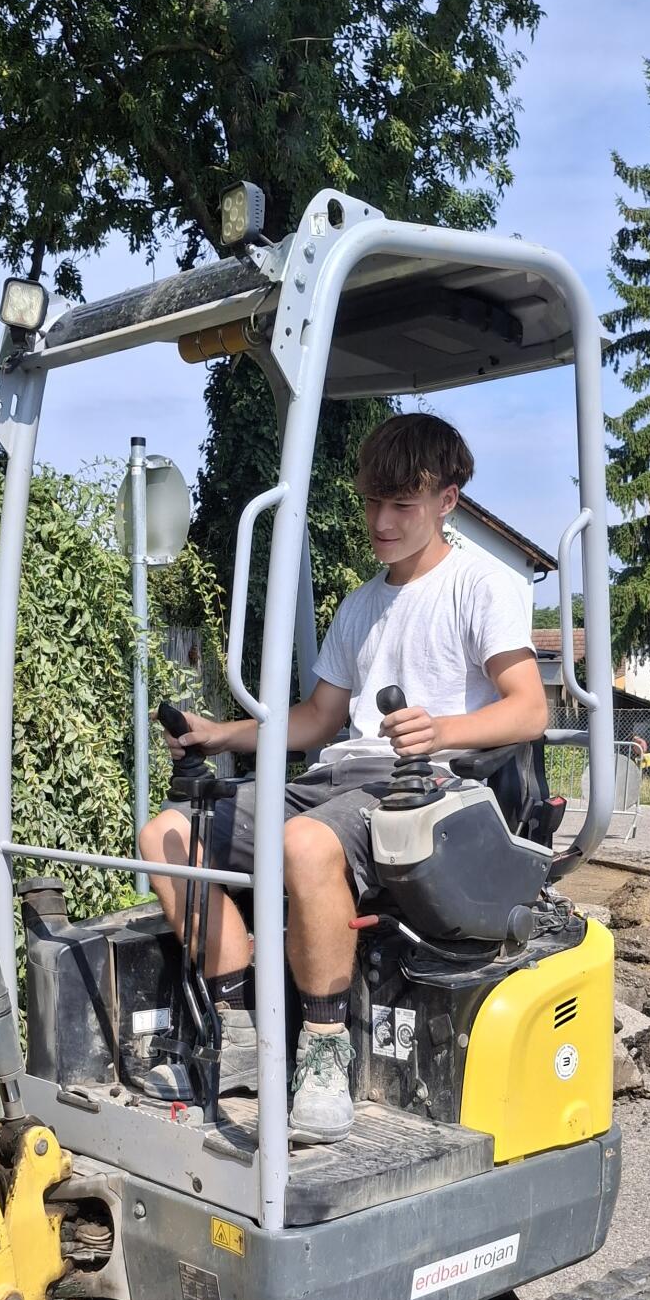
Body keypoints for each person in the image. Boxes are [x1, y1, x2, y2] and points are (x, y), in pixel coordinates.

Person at [138, 411, 548, 1145]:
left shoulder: (481, 586)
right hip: (339, 781)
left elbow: (529, 708)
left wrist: (440, 730)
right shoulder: (361, 606)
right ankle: (240, 1017)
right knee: (166, 834)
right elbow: (317, 719)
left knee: (304, 842)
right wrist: (217, 734)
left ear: (446, 501)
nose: (381, 522)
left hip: (430, 789)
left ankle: (325, 1052)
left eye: (402, 505)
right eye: (372, 503)